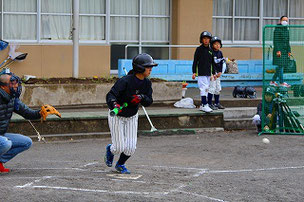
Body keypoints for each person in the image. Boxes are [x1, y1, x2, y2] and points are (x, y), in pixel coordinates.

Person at [105, 53, 157, 174]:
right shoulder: (125, 81)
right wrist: (114, 104)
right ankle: (110, 149)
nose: (150, 69)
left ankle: (120, 164)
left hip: (132, 115)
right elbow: (111, 95)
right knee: (118, 148)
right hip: (117, 115)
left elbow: (149, 101)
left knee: (130, 148)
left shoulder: (147, 83)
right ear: (139, 68)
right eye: (148, 67)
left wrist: (142, 97)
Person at [0, 72, 61, 172]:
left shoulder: (12, 99)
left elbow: (27, 113)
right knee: (5, 143)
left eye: (16, 83)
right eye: (12, 84)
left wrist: (40, 113)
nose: (16, 86)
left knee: (26, 142)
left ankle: (0, 162)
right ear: (3, 87)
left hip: (1, 135)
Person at [192, 31, 216, 112]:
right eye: (204, 39)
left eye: (207, 39)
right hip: (201, 72)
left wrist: (213, 73)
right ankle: (204, 104)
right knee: (203, 88)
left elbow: (212, 62)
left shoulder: (210, 50)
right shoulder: (199, 49)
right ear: (201, 40)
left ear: (210, 40)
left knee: (208, 88)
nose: (206, 40)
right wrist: (194, 72)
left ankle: (203, 105)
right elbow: (195, 61)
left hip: (208, 73)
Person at [270, 16, 291, 88]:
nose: (285, 22)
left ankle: (272, 81)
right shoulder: (277, 29)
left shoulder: (286, 30)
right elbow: (276, 41)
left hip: (285, 51)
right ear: (280, 21)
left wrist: (289, 51)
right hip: (279, 51)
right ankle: (281, 82)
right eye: (284, 20)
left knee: (280, 66)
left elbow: (288, 41)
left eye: (286, 20)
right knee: (280, 65)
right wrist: (278, 50)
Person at [208, 36, 225, 110]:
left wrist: (220, 72)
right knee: (212, 88)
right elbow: (210, 64)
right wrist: (213, 73)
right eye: (215, 44)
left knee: (218, 88)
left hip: (218, 74)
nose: (217, 45)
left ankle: (217, 103)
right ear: (212, 45)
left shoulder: (220, 53)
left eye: (218, 44)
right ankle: (209, 103)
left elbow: (221, 63)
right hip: (212, 74)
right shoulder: (210, 52)